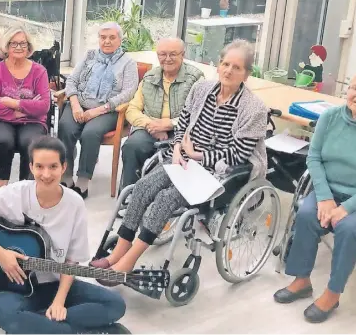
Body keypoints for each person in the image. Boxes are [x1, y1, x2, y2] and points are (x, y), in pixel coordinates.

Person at [90, 40, 268, 280]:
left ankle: (128, 262)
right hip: (184, 160)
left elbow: (239, 153)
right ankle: (117, 253)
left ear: (246, 74)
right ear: (218, 66)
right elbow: (183, 122)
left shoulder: (254, 108)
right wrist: (176, 149)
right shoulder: (202, 89)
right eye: (225, 64)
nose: (228, 70)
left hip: (221, 172)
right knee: (143, 186)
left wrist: (199, 156)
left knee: (167, 197)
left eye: (236, 67)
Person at [0, 136, 129, 334]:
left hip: (56, 282)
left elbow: (71, 261)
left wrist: (59, 302)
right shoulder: (14, 193)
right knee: (5, 315)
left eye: (53, 166)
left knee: (115, 304)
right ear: (31, 167)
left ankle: (44, 326)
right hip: (19, 284)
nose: (46, 174)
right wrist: (1, 254)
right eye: (39, 167)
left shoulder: (75, 203)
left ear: (64, 167)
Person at [274, 68, 356, 323]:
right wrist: (324, 197)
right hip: (331, 191)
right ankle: (301, 281)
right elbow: (314, 157)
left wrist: (346, 208)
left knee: (347, 226)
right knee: (308, 213)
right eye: (355, 88)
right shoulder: (330, 117)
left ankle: (333, 293)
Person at [58, 22, 138, 198]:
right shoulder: (89, 56)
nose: (107, 41)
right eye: (103, 37)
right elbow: (71, 81)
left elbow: (128, 93)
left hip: (108, 110)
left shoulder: (128, 62)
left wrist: (97, 110)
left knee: (90, 133)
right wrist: (76, 104)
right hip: (79, 104)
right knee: (65, 127)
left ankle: (82, 182)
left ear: (120, 39)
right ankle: (66, 176)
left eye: (112, 37)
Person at [120, 37, 204, 190]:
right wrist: (151, 125)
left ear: (182, 55)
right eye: (162, 54)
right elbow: (132, 109)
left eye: (173, 54)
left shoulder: (196, 78)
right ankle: (128, 198)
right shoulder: (150, 77)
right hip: (150, 128)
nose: (167, 59)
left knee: (176, 155)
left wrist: (170, 124)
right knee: (131, 146)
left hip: (182, 130)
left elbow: (199, 112)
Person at [0, 26, 50, 190]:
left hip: (32, 122)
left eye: (23, 44)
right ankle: (0, 197)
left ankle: (25, 195)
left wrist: (15, 104)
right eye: (14, 44)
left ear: (29, 47)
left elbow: (44, 106)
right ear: (7, 46)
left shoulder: (39, 71)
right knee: (5, 142)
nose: (19, 47)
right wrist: (24, 110)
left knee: (30, 143)